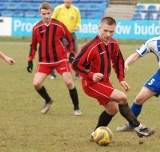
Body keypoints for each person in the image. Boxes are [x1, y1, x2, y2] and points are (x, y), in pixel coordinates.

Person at [71, 16, 154, 141]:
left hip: (105, 83)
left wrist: (121, 79)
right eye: (105, 30)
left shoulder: (113, 44)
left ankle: (94, 135)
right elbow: (75, 64)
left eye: (111, 31)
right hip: (91, 83)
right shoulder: (90, 46)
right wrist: (91, 74)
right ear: (99, 28)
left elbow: (118, 61)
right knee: (122, 97)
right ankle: (138, 127)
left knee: (113, 109)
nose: (108, 34)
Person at [26, 2, 82, 116]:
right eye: (43, 14)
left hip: (60, 59)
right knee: (36, 84)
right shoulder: (36, 28)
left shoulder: (59, 25)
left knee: (69, 82)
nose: (46, 16)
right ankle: (48, 100)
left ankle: (76, 108)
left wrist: (71, 53)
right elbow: (33, 45)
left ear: (51, 12)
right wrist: (30, 60)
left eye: (48, 13)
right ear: (40, 13)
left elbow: (70, 39)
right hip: (44, 61)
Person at [116, 35, 160, 132]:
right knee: (139, 99)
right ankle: (131, 124)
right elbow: (137, 54)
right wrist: (126, 63)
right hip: (159, 77)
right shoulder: (153, 42)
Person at [50, 0, 81, 80]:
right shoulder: (58, 8)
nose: (68, 1)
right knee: (57, 54)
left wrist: (77, 26)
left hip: (71, 35)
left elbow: (78, 21)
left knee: (74, 54)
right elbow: (53, 20)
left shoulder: (76, 10)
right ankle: (52, 73)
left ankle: (78, 74)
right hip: (60, 35)